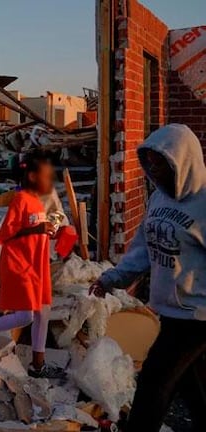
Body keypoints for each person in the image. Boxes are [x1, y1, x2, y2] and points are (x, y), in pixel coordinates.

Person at [88, 124, 206, 432]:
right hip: (168, 308)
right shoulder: (158, 199)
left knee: (155, 380)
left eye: (161, 163)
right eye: (150, 162)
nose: (154, 169)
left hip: (197, 315)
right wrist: (110, 279)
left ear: (181, 161)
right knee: (190, 382)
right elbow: (143, 250)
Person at [0, 150, 64, 379]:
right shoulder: (20, 200)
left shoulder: (38, 204)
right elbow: (6, 235)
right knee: (26, 316)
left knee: (43, 312)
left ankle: (38, 365)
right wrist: (37, 229)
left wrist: (50, 231)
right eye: (45, 176)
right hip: (19, 264)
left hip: (36, 265)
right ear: (31, 177)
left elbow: (35, 234)